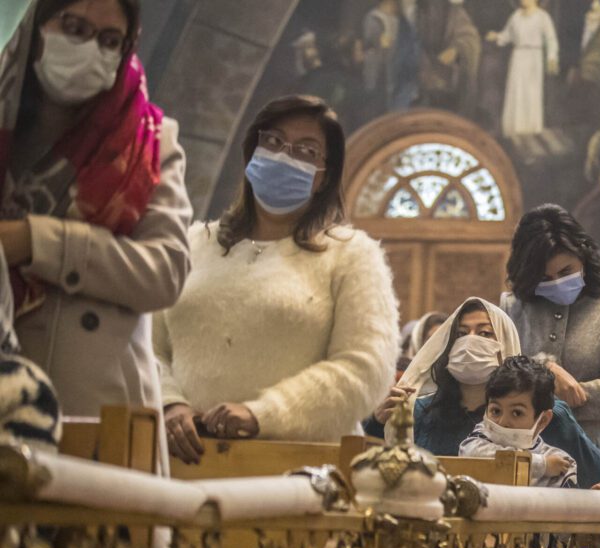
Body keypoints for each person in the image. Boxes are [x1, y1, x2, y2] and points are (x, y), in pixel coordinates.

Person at [153, 95, 399, 463]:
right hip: (186, 458)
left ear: (324, 176)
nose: (285, 156)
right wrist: (169, 403)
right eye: (273, 141)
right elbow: (147, 347)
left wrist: (263, 414)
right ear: (252, 152)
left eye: (306, 151)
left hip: (299, 467)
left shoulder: (351, 255)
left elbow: (366, 369)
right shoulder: (193, 244)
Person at [0, 0, 190, 420]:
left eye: (109, 40)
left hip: (96, 408)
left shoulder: (148, 142)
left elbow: (165, 270)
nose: (90, 48)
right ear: (36, 26)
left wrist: (38, 242)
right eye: (74, 28)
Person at [396, 296, 600, 487]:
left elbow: (597, 476)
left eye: (484, 333)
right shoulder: (420, 410)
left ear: (505, 341)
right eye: (460, 334)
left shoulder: (550, 414)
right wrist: (381, 422)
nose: (470, 341)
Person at [501, 204, 600, 466]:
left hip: (597, 460)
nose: (557, 281)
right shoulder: (513, 307)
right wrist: (545, 370)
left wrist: (532, 399)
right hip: (525, 459)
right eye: (545, 278)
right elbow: (497, 381)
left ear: (584, 257)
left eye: (566, 271)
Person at [460, 356, 577, 488]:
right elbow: (472, 456)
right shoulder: (478, 440)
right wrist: (540, 465)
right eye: (496, 411)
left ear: (543, 420)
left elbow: (566, 501)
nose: (502, 422)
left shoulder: (559, 462)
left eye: (517, 413)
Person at [487, 0, 559, 137]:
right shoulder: (516, 16)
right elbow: (507, 35)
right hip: (518, 57)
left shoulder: (542, 17)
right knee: (516, 91)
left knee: (531, 92)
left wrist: (551, 57)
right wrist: (496, 36)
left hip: (534, 58)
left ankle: (530, 130)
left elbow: (551, 39)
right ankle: (514, 129)